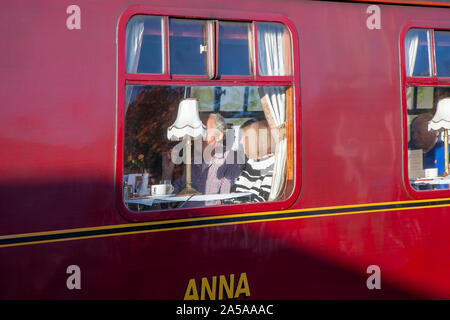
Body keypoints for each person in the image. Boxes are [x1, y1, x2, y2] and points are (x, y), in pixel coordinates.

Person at [162, 113, 242, 206]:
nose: (197, 136)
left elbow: (224, 203)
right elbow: (172, 199)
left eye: (204, 131)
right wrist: (167, 174)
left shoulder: (230, 160)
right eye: (197, 132)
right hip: (179, 217)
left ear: (219, 136)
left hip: (204, 218)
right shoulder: (194, 162)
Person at [230, 119, 275, 202]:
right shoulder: (251, 163)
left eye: (244, 137)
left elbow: (260, 202)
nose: (241, 141)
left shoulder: (273, 168)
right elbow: (234, 192)